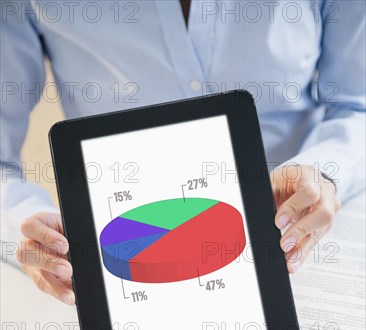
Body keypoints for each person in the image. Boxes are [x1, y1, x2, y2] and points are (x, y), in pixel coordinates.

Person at [1, 0, 364, 305]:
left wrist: (324, 171)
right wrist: (30, 224)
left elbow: (358, 103)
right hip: (123, 257)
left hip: (298, 240)